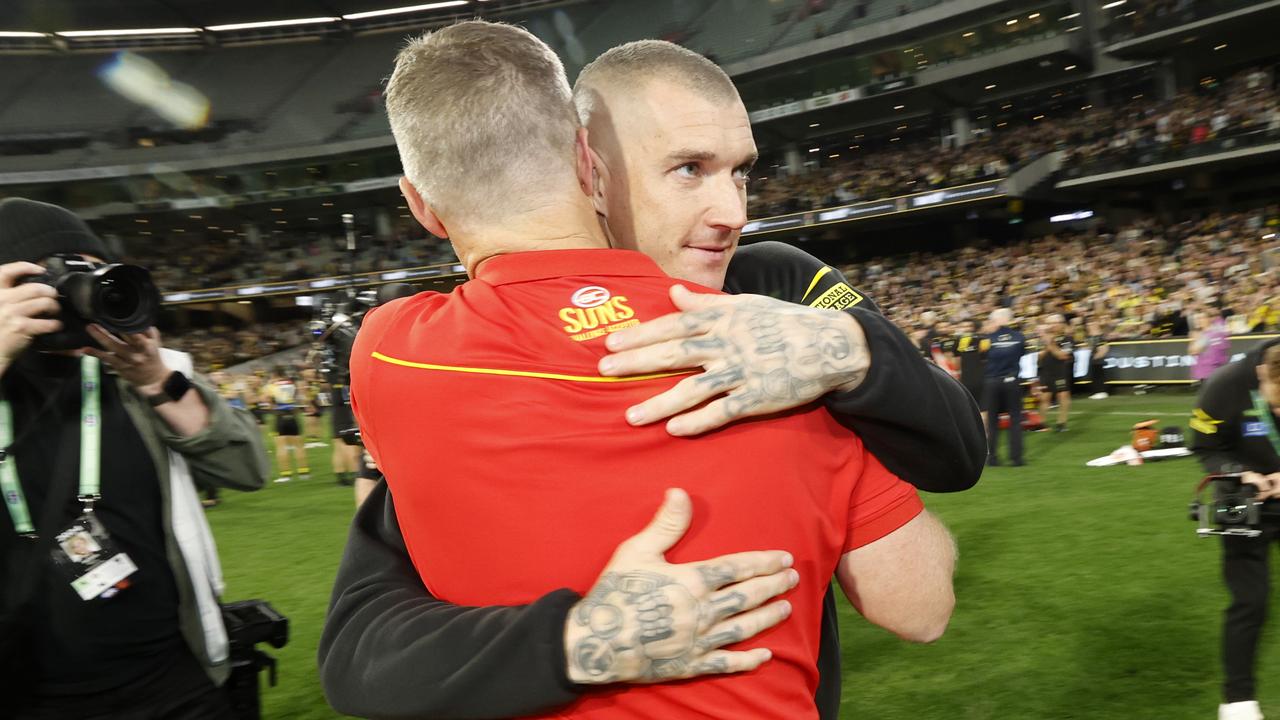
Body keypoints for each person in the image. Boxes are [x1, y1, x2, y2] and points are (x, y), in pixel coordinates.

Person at [319, 36, 980, 720]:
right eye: (688, 169)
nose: (733, 212)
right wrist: (580, 639)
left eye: (741, 172)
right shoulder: (437, 361)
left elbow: (956, 460)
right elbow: (363, 648)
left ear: (421, 205)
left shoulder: (403, 353)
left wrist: (855, 350)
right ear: (589, 168)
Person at [0, 198, 269, 719]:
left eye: (91, 272)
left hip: (171, 679)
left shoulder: (140, 375)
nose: (80, 292)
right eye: (57, 276)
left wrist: (154, 380)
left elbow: (246, 468)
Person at [1190, 339, 1280, 720]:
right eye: (1277, 400)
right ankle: (1238, 700)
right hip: (1241, 500)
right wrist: (1241, 473)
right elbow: (1204, 447)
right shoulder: (1222, 385)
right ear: (1262, 374)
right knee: (1250, 601)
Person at [982, 308, 1026, 466]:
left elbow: (983, 357)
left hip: (992, 382)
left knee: (992, 421)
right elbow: (1022, 354)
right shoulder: (1020, 337)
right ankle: (1017, 458)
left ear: (998, 320)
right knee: (1015, 419)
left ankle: (992, 457)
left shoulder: (987, 339)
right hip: (1012, 381)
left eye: (992, 320)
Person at [264, 368, 308, 482]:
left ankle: (286, 475)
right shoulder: (291, 383)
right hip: (293, 415)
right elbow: (299, 397)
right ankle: (304, 472)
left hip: (280, 416)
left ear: (274, 374)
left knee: (281, 447)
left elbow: (267, 401)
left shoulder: (272, 385)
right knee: (298, 446)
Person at [1037, 313, 1074, 432]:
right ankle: (1041, 424)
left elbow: (1063, 355)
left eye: (1053, 323)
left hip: (1060, 372)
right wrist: (1048, 344)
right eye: (1048, 323)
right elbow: (1039, 356)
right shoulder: (1043, 338)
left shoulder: (1067, 338)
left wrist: (1050, 344)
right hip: (1046, 372)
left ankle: (1061, 423)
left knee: (1063, 396)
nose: (1051, 326)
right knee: (1045, 397)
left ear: (1061, 324)